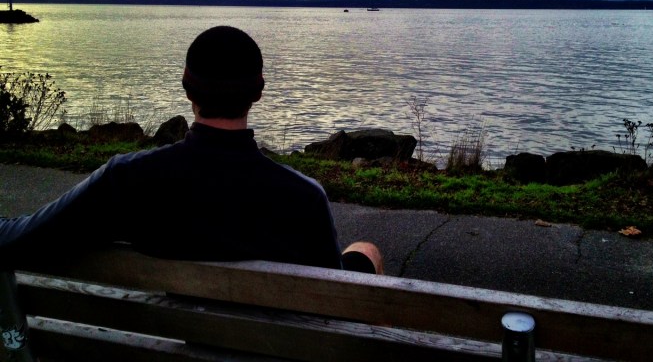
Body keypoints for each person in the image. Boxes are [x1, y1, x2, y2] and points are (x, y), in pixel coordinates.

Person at [0, 25, 382, 274]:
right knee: (366, 252)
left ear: (186, 89)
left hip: (175, 338)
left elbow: (20, 239)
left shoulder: (127, 180)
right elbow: (333, 300)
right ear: (258, 92)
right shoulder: (304, 197)